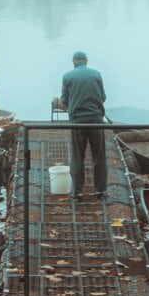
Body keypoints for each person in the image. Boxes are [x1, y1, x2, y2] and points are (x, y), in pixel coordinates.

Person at [58, 50, 107, 199]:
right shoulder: (96, 74)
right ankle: (100, 191)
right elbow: (103, 97)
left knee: (77, 157)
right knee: (99, 156)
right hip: (96, 121)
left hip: (77, 122)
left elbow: (65, 102)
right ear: (86, 61)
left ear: (73, 61)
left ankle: (77, 192)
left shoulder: (67, 76)